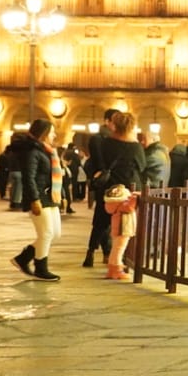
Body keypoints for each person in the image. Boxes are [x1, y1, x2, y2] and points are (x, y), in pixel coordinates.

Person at [9, 119, 63, 282]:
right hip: (38, 196)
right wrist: (34, 199)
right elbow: (29, 177)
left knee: (55, 234)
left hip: (50, 196)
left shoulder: (48, 151)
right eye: (51, 132)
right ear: (43, 133)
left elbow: (54, 175)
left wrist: (62, 195)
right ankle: (41, 268)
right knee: (46, 233)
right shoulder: (32, 151)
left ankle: (23, 258)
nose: (54, 135)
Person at [103, 113, 147, 280]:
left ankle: (116, 264)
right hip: (127, 191)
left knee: (115, 229)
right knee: (124, 230)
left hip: (111, 190)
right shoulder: (134, 146)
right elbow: (142, 166)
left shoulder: (107, 143)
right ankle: (115, 266)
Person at [83, 111, 120, 268]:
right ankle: (94, 251)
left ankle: (101, 252)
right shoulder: (99, 139)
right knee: (102, 220)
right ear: (107, 121)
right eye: (114, 120)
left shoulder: (110, 139)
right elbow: (99, 162)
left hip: (109, 182)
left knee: (103, 220)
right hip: (105, 182)